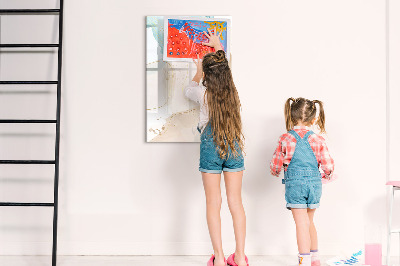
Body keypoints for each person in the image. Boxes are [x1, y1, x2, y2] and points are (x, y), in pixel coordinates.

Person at [184, 28, 248, 266]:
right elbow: (225, 70)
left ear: (207, 76)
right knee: (236, 202)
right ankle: (240, 257)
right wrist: (218, 46)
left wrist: (198, 70)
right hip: (233, 146)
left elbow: (187, 89)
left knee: (214, 203)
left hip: (211, 148)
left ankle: (219, 259)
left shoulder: (202, 94)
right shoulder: (232, 92)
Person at [270, 98, 335, 266]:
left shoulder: (285, 138)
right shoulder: (318, 139)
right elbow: (328, 165)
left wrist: (275, 171)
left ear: (291, 117)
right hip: (314, 185)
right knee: (309, 222)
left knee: (301, 224)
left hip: (295, 186)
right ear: (313, 120)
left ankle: (304, 261)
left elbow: (275, 164)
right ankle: (315, 260)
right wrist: (327, 176)